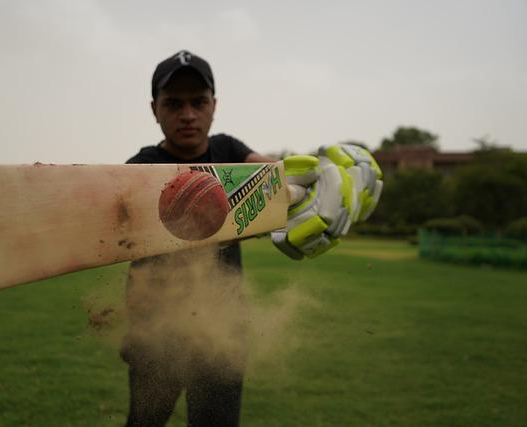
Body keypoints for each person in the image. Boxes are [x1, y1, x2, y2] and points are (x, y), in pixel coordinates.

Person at [121, 50, 383, 427]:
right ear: (154, 108)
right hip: (156, 331)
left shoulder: (228, 149)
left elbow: (274, 177)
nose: (188, 114)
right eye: (173, 103)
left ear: (214, 105)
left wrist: (324, 187)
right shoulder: (142, 167)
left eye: (199, 101)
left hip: (223, 327)